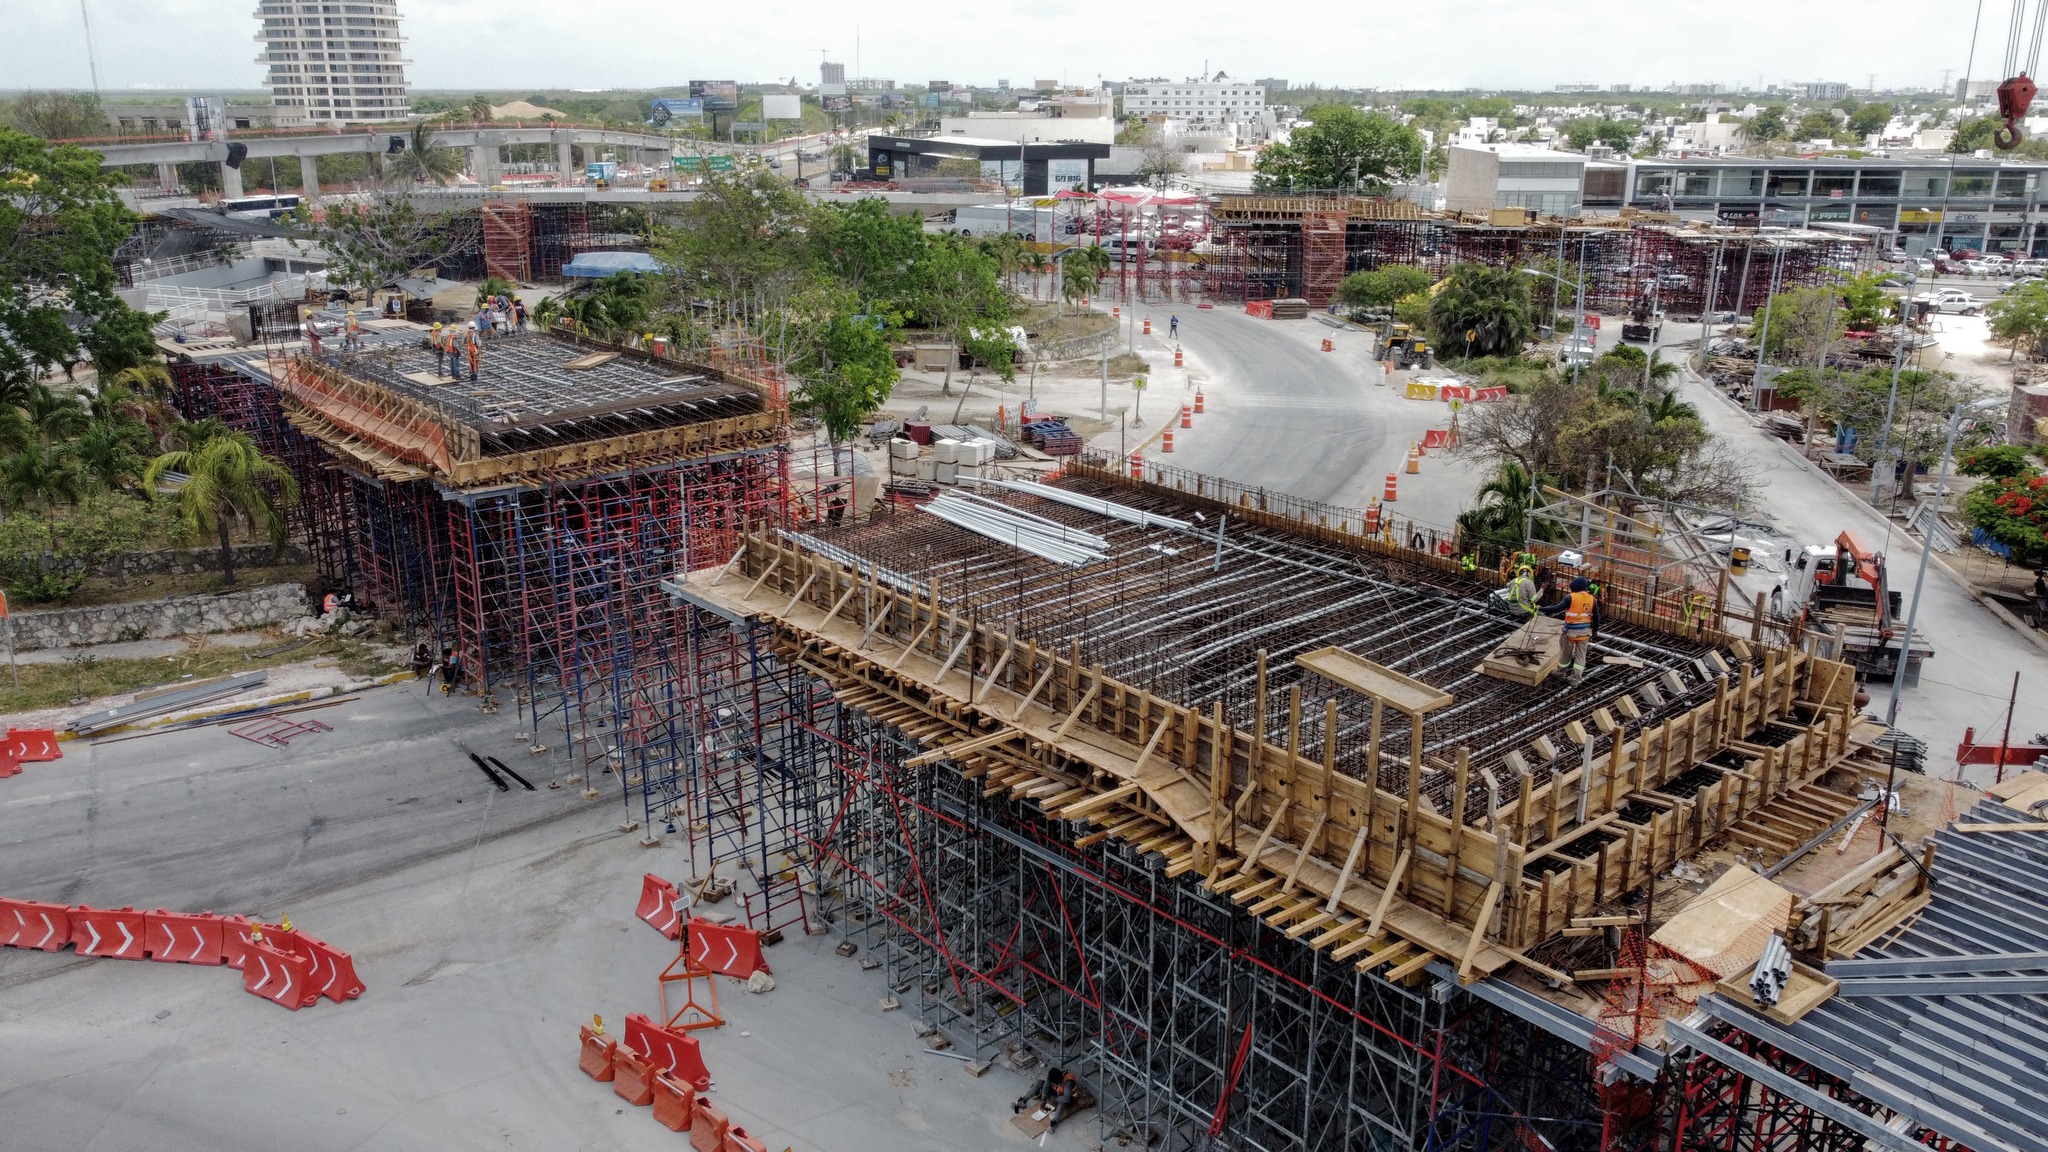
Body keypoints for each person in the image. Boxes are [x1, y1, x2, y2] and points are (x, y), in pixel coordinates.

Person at [1542, 576, 1599, 685]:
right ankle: (1575, 680)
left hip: (1570, 633)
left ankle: (1560, 673)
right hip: (1585, 633)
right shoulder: (1592, 599)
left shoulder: (1570, 597)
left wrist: (1541, 609)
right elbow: (1596, 617)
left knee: (1565, 655)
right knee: (1581, 656)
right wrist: (1595, 631)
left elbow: (1556, 608)